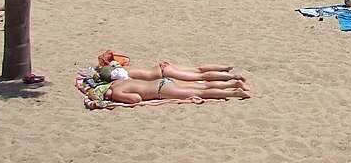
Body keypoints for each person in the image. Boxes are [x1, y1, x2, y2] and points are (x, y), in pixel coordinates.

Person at [89, 75, 250, 104]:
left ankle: (234, 92)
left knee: (202, 92)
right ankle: (234, 84)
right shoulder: (118, 83)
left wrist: (115, 99)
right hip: (162, 81)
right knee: (202, 86)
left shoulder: (116, 92)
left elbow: (136, 99)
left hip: (161, 91)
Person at [97, 60, 245, 83]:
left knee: (200, 76)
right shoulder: (121, 67)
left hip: (163, 74)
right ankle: (224, 68)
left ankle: (233, 76)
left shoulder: (122, 76)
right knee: (197, 69)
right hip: (162, 66)